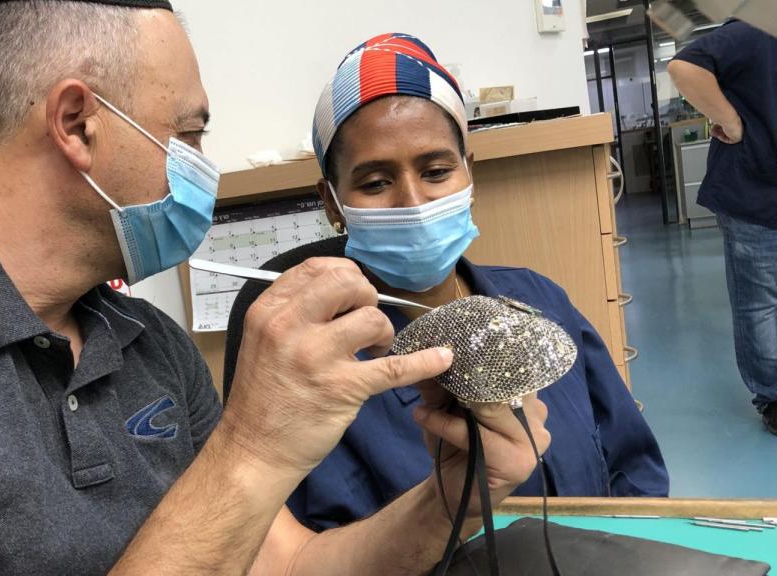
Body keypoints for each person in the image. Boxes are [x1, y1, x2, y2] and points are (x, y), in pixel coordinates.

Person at [0, 3, 550, 575]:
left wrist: (450, 499)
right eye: (190, 132)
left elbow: (289, 564)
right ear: (77, 123)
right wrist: (253, 449)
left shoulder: (149, 342)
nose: (205, 163)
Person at [223, 33, 668, 531]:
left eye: (436, 171)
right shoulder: (313, 363)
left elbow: (635, 470)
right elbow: (308, 545)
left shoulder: (540, 300)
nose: (414, 202)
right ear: (332, 202)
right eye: (375, 183)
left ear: (468, 174)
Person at [668, 20, 777, 435]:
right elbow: (684, 66)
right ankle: (773, 396)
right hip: (753, 189)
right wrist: (729, 120)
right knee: (760, 302)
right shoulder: (756, 30)